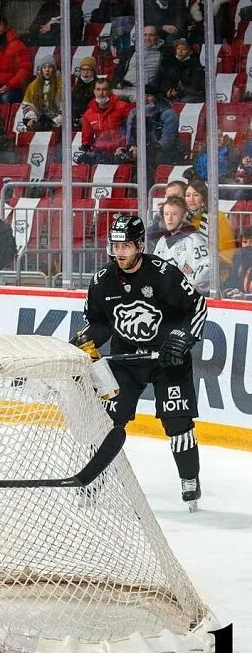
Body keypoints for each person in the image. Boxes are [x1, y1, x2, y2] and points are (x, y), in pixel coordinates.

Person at [71, 214, 208, 511]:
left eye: (127, 246)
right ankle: (94, 478)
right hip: (126, 359)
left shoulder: (163, 274)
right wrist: (83, 342)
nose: (120, 252)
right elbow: (99, 324)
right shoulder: (102, 281)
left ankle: (189, 479)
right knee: (109, 422)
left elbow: (197, 305)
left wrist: (183, 339)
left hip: (167, 358)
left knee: (177, 423)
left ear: (141, 245)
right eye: (115, 245)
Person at [149, 195, 211, 295]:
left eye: (174, 214)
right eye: (166, 214)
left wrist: (185, 284)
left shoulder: (193, 239)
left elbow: (207, 269)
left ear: (183, 216)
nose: (169, 218)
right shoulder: (162, 241)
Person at [76, 77, 130, 165]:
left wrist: (125, 147)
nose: (101, 93)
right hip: (100, 152)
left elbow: (130, 131)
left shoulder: (122, 107)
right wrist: (87, 148)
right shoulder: (88, 114)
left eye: (104, 89)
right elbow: (86, 138)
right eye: (98, 89)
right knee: (82, 160)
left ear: (110, 91)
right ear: (94, 91)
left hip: (120, 150)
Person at [0, 10, 30, 105]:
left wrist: (9, 85)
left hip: (14, 88)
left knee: (5, 98)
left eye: (0, 25)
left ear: (6, 27)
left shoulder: (17, 45)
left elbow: (25, 70)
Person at [19, 58, 63, 132]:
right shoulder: (33, 85)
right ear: (41, 70)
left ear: (54, 69)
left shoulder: (62, 85)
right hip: (39, 120)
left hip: (57, 121)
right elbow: (28, 105)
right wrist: (32, 118)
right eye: (44, 67)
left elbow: (66, 107)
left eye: (50, 67)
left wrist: (56, 121)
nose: (47, 70)